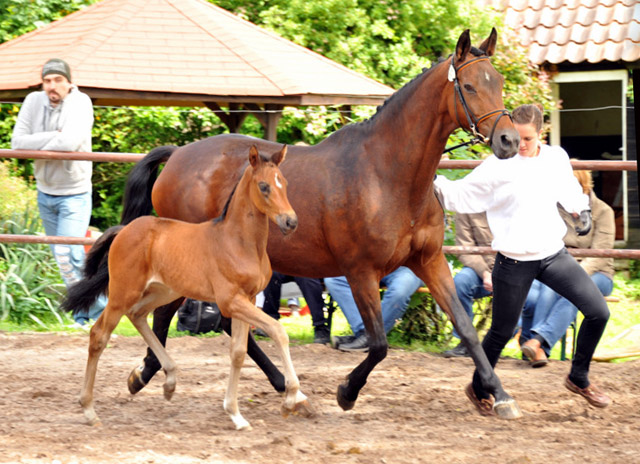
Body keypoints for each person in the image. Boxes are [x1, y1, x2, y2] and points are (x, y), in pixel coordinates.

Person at [434, 103, 611, 413]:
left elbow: (567, 186)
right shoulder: (497, 165)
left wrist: (580, 209)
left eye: (527, 139)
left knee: (598, 312)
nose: (520, 145)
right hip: (513, 261)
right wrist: (430, 180)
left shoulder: (555, 157)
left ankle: (579, 377)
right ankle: (478, 387)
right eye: (516, 137)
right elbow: (461, 195)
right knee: (501, 331)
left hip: (552, 255)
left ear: (540, 134)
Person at [11, 58, 106, 325]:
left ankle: (98, 311)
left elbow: (71, 142)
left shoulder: (81, 102)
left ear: (68, 82)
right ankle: (84, 313)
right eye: (47, 81)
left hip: (74, 191)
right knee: (62, 257)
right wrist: (55, 135)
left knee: (71, 254)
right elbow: (17, 142)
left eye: (58, 80)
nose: (52, 86)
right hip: (45, 190)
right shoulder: (33, 101)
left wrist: (45, 141)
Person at [520, 168, 615, 367]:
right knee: (549, 286)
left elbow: (600, 253)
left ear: (583, 187)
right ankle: (538, 349)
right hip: (561, 265)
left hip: (597, 272)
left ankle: (537, 341)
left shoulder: (603, 211)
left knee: (576, 292)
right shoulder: (554, 209)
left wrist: (572, 276)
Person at [444, 212, 541, 358]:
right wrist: (485, 273)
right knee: (460, 283)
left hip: (515, 268)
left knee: (533, 298)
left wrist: (508, 274)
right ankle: (467, 342)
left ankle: (528, 345)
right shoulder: (467, 208)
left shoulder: (516, 203)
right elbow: (465, 249)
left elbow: (530, 244)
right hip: (480, 270)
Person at [325, 266, 424, 352]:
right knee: (334, 279)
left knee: (399, 292)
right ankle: (365, 334)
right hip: (374, 266)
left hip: (408, 269)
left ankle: (369, 336)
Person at [260, 272, 331, 344]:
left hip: (310, 269)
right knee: (272, 274)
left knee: (307, 278)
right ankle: (269, 323)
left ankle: (320, 327)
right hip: (291, 267)